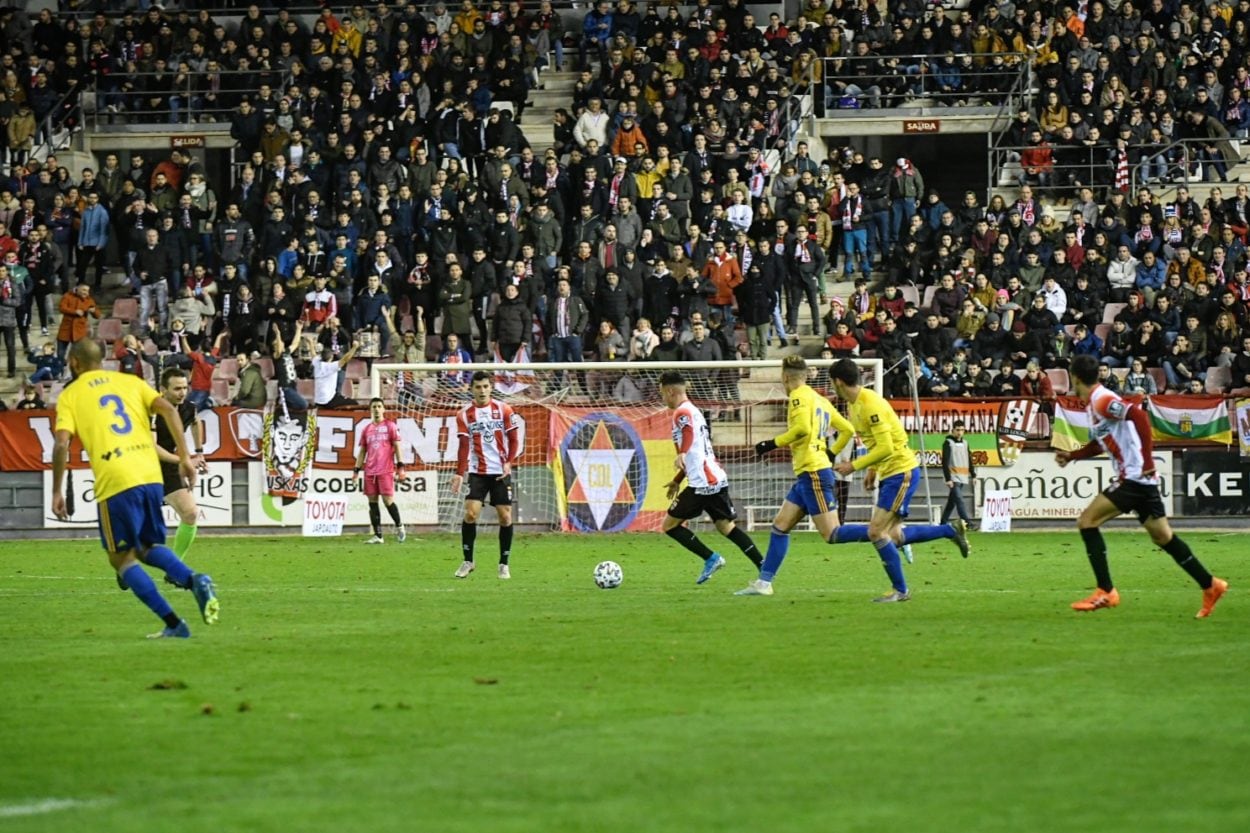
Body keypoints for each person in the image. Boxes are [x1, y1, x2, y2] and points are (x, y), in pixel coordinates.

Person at [50, 339, 218, 639]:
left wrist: (57, 490)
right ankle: (196, 581)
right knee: (145, 548)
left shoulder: (71, 394)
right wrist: (185, 458)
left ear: (74, 362)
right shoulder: (130, 382)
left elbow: (62, 443)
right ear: (103, 359)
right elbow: (168, 409)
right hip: (150, 474)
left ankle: (175, 621)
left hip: (116, 476)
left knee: (121, 559)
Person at [1056, 354, 1227, 617]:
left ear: (1075, 377)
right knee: (1163, 537)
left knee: (1087, 521)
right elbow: (1099, 442)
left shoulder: (1102, 400)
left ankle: (1106, 590)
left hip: (1134, 477)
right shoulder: (1093, 404)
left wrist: (1147, 461)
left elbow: (1138, 416)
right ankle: (1210, 584)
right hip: (1140, 481)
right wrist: (1072, 455)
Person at [828, 359, 970, 602]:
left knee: (876, 531)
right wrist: (872, 468)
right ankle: (949, 530)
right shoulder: (855, 405)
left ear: (838, 382)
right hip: (889, 471)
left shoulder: (870, 404)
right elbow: (877, 443)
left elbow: (885, 446)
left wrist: (854, 465)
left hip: (900, 471)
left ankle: (901, 590)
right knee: (893, 535)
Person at [736, 355, 855, 596]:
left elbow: (802, 429)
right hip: (808, 473)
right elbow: (848, 429)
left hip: (813, 472)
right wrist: (831, 452)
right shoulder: (819, 399)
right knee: (780, 525)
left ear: (786, 376)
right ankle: (764, 583)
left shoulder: (799, 396)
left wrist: (771, 443)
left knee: (832, 534)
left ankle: (882, 533)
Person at [658, 371, 763, 583]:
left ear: (670, 391)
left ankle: (711, 558)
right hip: (715, 478)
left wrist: (681, 453)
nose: (662, 398)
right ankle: (764, 566)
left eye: (662, 393)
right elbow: (698, 452)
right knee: (726, 527)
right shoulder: (694, 410)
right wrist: (677, 480)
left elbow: (687, 434)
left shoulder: (682, 412)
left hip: (703, 484)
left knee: (669, 526)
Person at [451, 371, 522, 579]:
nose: (482, 391)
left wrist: (509, 462)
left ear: (491, 387)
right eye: (477, 387)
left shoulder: (504, 409)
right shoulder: (464, 415)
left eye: (485, 386)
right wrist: (458, 473)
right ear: (471, 389)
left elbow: (514, 439)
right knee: (471, 514)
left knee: (505, 516)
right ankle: (468, 561)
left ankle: (503, 564)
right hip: (478, 472)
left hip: (500, 471)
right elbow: (464, 446)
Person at [155, 369, 207, 559]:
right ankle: (125, 565)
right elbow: (152, 447)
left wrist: (199, 453)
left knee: (191, 513)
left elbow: (195, 422)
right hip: (142, 467)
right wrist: (184, 461)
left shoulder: (188, 408)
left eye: (185, 388)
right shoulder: (152, 410)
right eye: (177, 388)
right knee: (141, 524)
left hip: (168, 465)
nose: (182, 393)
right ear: (163, 389)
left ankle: (175, 566)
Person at [354, 397, 408, 545]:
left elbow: (397, 448)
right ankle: (378, 536)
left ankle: (399, 526)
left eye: (379, 406)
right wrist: (356, 470)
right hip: (370, 471)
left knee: (387, 501)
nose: (376, 409)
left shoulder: (390, 426)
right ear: (370, 410)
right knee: (372, 502)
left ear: (383, 409)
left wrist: (401, 467)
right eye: (374, 407)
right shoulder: (367, 429)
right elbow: (362, 452)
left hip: (386, 470)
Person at [940, 419, 975, 525]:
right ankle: (967, 522)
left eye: (962, 430)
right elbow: (945, 461)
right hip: (953, 477)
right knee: (959, 500)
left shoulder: (965, 443)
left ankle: (943, 522)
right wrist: (948, 479)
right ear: (953, 430)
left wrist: (973, 475)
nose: (960, 432)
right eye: (958, 430)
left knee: (952, 502)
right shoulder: (948, 443)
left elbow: (969, 459)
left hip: (962, 477)